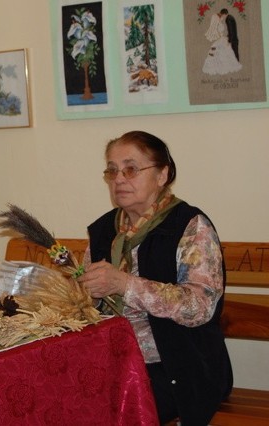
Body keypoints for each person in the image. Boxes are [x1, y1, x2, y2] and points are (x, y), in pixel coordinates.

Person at [77, 131, 233, 425]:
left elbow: (200, 307)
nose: (119, 178)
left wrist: (125, 285)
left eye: (131, 169)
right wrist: (86, 293)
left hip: (179, 367)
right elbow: (88, 303)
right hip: (114, 362)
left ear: (162, 175)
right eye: (112, 170)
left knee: (109, 412)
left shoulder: (190, 225)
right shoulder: (104, 231)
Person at [202, 10, 241, 75]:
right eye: (220, 16)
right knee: (222, 52)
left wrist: (228, 38)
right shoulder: (219, 23)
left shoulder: (223, 21)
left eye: (221, 16)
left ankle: (229, 65)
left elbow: (229, 30)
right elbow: (222, 31)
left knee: (227, 52)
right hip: (221, 38)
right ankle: (222, 66)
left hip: (224, 38)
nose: (222, 17)